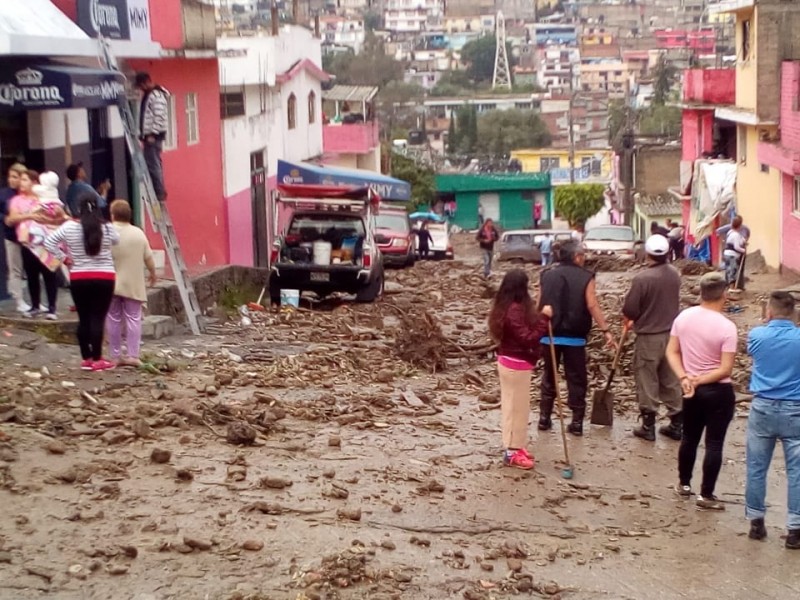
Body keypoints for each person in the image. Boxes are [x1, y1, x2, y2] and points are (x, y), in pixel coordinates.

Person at [666, 272, 737, 510]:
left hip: (691, 390)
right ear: (724, 294)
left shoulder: (683, 317)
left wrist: (685, 377)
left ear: (702, 293)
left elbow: (672, 352)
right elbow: (725, 368)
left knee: (689, 438)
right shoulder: (727, 327)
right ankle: (706, 495)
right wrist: (701, 379)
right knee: (714, 443)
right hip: (718, 392)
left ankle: (684, 484)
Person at [538, 241, 616, 436]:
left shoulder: (546, 275)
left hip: (550, 335)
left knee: (549, 376)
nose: (584, 258)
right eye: (582, 255)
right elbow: (592, 305)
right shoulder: (586, 276)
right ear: (576, 257)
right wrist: (605, 329)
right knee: (577, 379)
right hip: (575, 337)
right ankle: (577, 422)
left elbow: (539, 302)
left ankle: (544, 419)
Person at [744, 291, 800, 548]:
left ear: (769, 312)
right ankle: (794, 530)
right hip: (795, 408)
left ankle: (756, 522)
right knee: (796, 472)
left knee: (757, 467)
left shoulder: (757, 335)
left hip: (763, 407)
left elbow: (752, 352)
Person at [45, 192, 120, 371]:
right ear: (97, 206)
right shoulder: (107, 228)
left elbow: (49, 242)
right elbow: (117, 240)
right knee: (98, 318)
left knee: (84, 318)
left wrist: (64, 258)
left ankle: (86, 358)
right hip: (104, 277)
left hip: (79, 277)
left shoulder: (69, 227)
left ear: (78, 208)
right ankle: (98, 359)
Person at [488, 269, 552, 469]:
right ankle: (511, 451)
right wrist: (544, 319)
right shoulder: (514, 310)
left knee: (518, 407)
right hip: (516, 363)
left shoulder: (505, 306)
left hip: (513, 362)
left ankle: (516, 446)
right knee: (514, 408)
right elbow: (527, 338)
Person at [622, 235, 684, 441]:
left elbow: (630, 309)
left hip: (649, 336)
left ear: (647, 253)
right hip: (672, 335)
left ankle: (648, 425)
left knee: (647, 379)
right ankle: (677, 423)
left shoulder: (642, 279)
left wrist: (633, 318)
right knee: (670, 378)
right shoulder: (675, 274)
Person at [5, 170, 65, 319]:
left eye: (25, 180)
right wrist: (30, 215)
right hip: (27, 243)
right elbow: (12, 218)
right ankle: (35, 305)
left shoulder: (44, 198)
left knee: (49, 274)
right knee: (31, 275)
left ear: (34, 183)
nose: (21, 183)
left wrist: (47, 220)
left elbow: (59, 216)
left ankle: (52, 308)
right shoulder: (16, 200)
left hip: (46, 242)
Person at [106, 200, 157, 367]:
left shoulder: (106, 232)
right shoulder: (138, 233)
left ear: (113, 215)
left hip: (110, 283)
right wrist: (153, 273)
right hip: (133, 284)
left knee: (113, 318)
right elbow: (148, 257)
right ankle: (133, 355)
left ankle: (115, 356)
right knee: (133, 318)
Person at [135, 72, 170, 202]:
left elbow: (159, 116)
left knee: (153, 164)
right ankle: (159, 191)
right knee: (154, 163)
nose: (140, 88)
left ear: (146, 82)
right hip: (150, 136)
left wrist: (153, 134)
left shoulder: (156, 96)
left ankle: (158, 192)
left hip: (153, 137)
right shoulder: (150, 95)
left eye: (141, 85)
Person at [0, 163, 28, 312]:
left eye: (15, 177)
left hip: (30, 237)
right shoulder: (4, 194)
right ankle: (19, 300)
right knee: (15, 269)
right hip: (12, 236)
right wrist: (4, 218)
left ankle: (36, 302)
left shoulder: (27, 194)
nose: (12, 180)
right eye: (10, 176)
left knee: (30, 269)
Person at [723, 216, 747, 290]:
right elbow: (736, 247)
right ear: (740, 225)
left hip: (727, 254)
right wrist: (743, 250)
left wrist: (743, 241)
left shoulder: (730, 233)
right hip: (732, 255)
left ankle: (728, 286)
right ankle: (732, 287)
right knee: (732, 270)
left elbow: (740, 239)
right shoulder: (735, 235)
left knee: (728, 270)